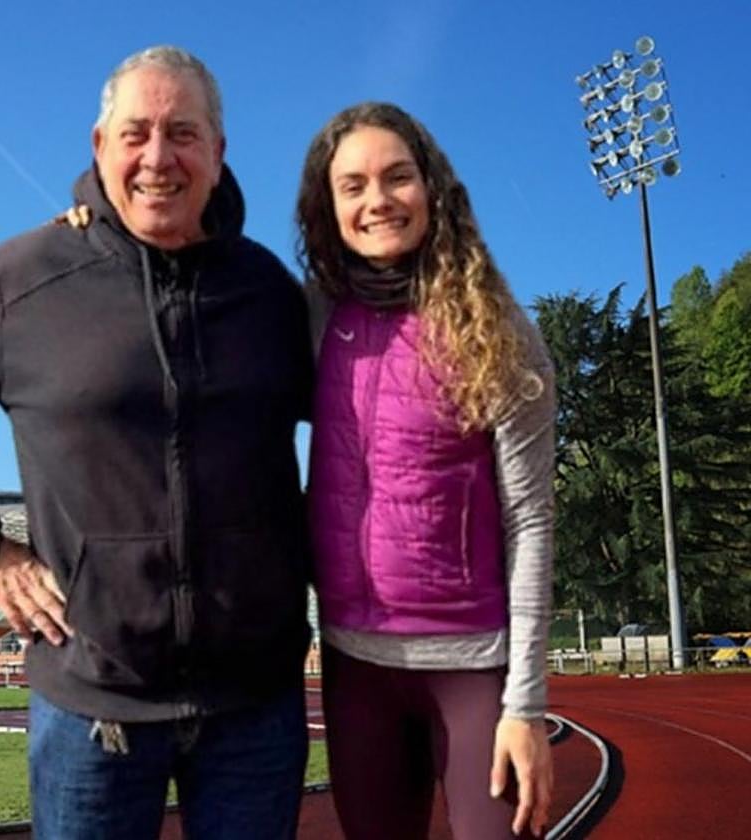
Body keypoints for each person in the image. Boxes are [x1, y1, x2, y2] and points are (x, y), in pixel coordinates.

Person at [0, 45, 313, 840]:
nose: (159, 157)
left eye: (184, 133)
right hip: (91, 702)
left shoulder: (269, 294)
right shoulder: (29, 274)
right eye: (136, 133)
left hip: (255, 704)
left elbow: (367, 427)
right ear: (99, 147)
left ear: (218, 154)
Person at [296, 102, 556, 839]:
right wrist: (94, 231)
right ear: (329, 206)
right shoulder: (315, 316)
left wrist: (526, 706)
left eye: (397, 177)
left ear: (433, 188)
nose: (377, 200)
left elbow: (530, 520)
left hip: (472, 671)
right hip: (353, 668)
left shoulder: (498, 330)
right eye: (353, 185)